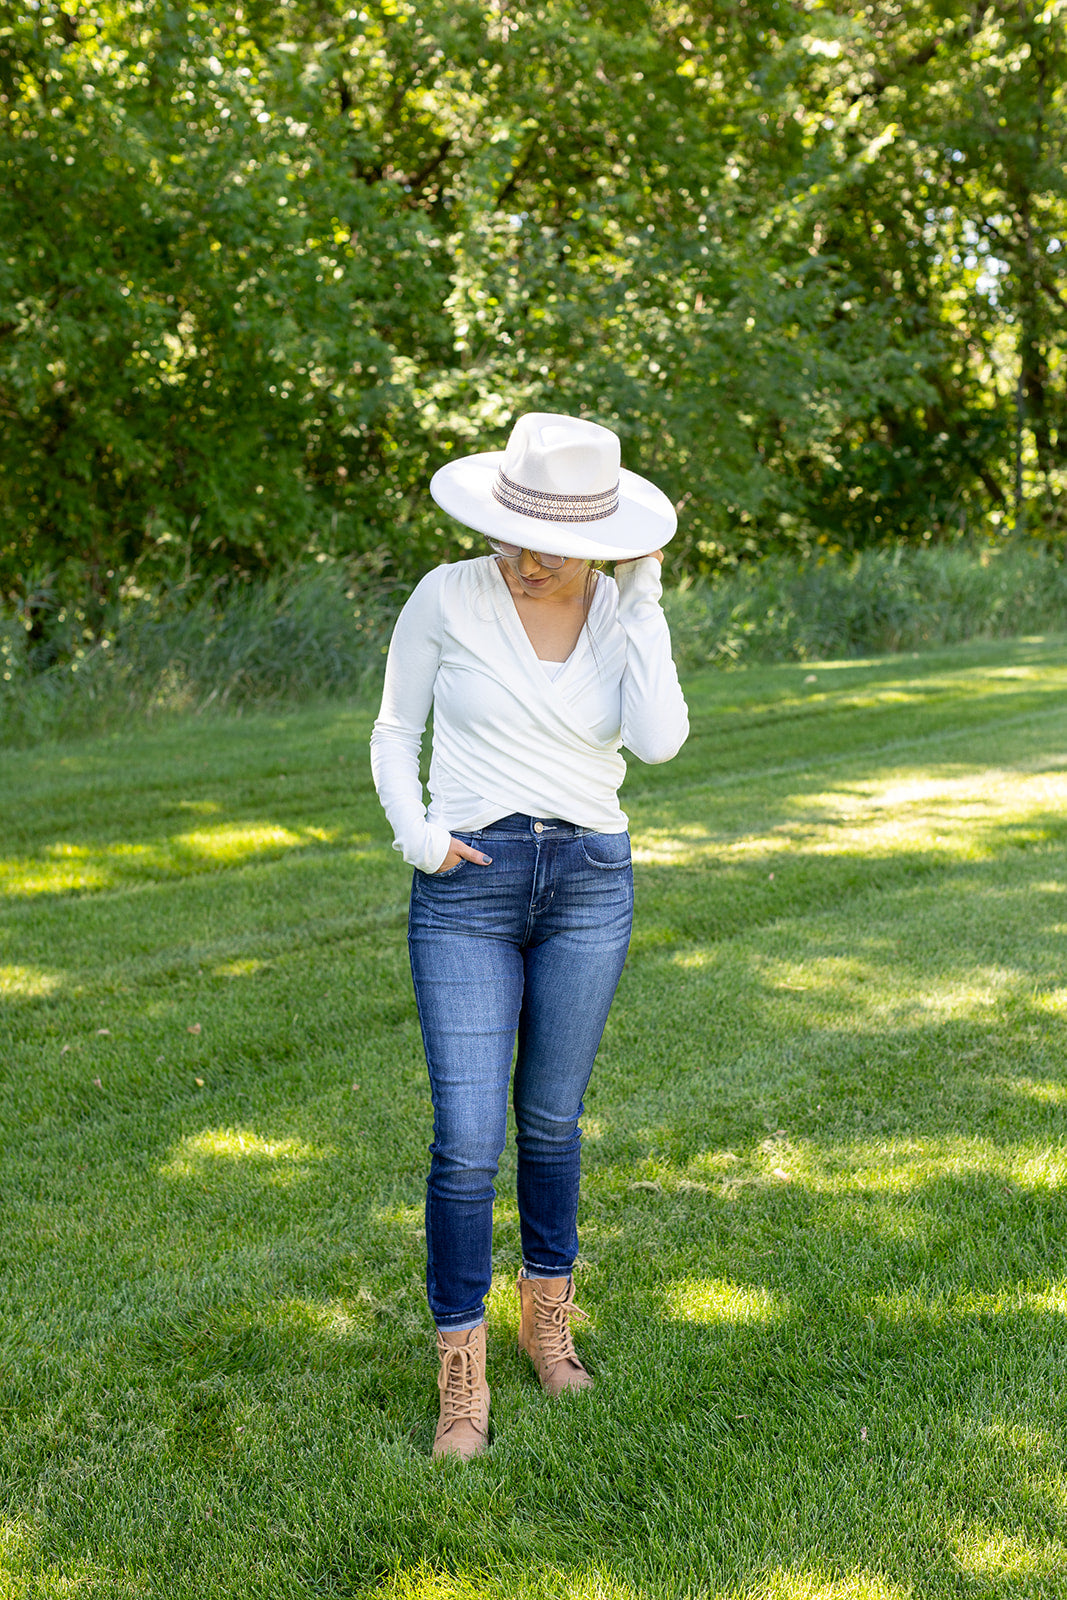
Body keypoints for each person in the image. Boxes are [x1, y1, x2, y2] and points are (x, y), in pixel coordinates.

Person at [370, 412, 689, 1459]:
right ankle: (460, 1368)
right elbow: (392, 725)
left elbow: (658, 740)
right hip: (468, 886)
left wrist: (640, 605)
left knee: (551, 1123)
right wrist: (419, 838)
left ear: (601, 538)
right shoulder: (445, 595)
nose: (526, 556)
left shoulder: (618, 607)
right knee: (465, 1142)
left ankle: (545, 1325)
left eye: (553, 539)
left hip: (591, 882)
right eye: (513, 529)